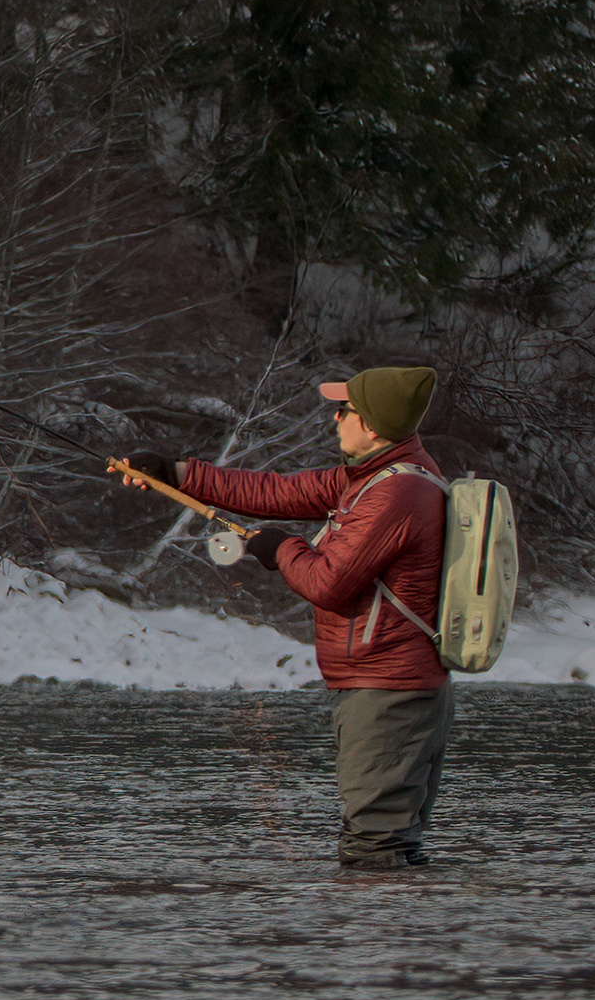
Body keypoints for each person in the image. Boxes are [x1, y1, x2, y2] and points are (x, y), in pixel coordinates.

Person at [143, 367, 454, 871]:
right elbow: (274, 493)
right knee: (390, 847)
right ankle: (405, 940)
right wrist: (176, 473)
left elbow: (327, 584)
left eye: (345, 410)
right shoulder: (374, 477)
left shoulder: (395, 494)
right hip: (387, 687)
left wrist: (281, 546)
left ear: (372, 427)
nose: (335, 418)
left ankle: (380, 946)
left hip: (388, 693)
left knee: (374, 852)